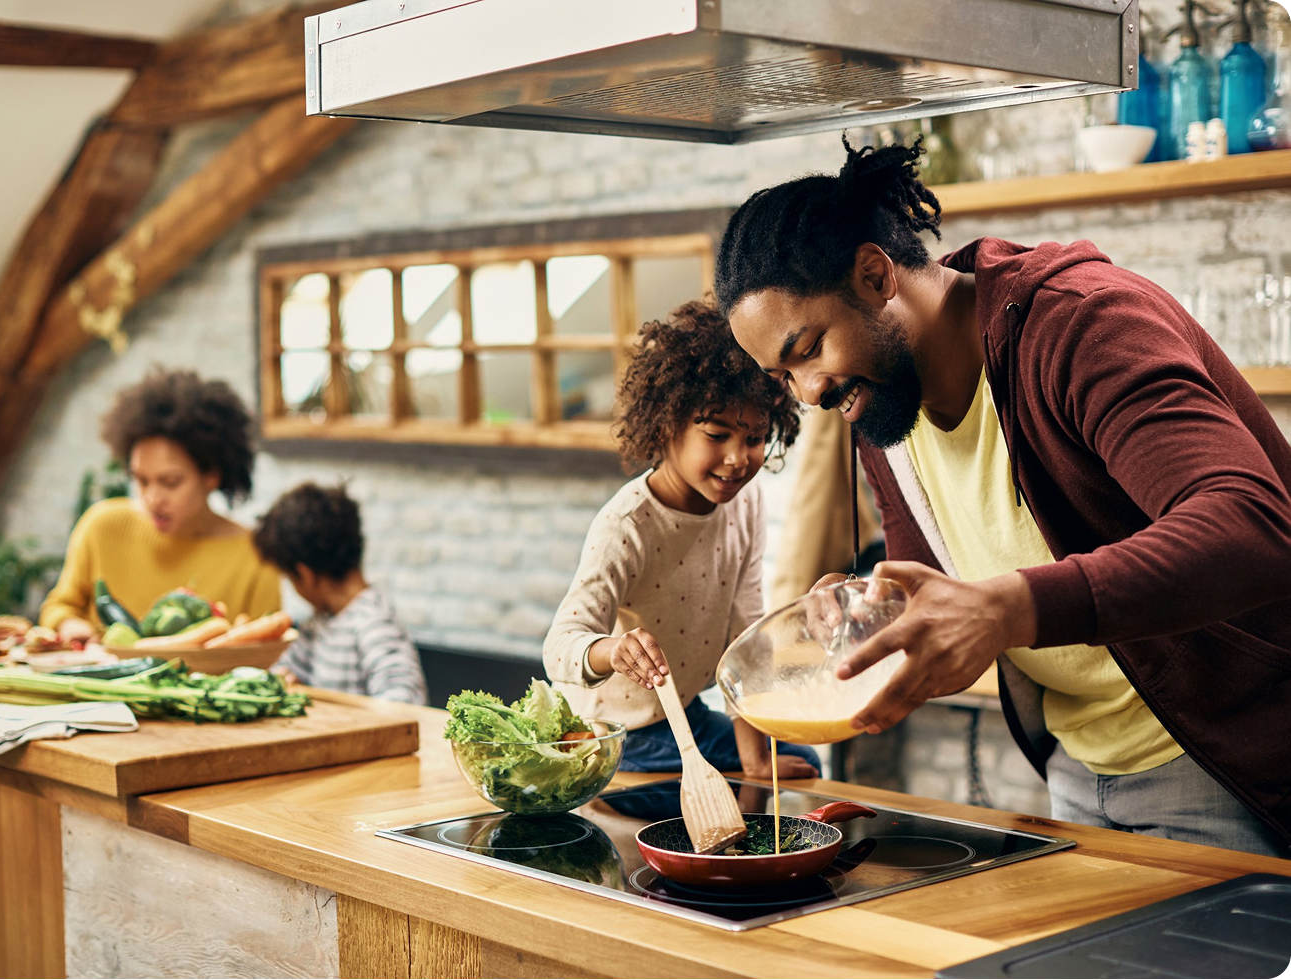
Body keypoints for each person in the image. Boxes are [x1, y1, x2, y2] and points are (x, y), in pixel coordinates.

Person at [714, 137, 1291, 856]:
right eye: (782, 376)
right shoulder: (884, 404)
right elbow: (930, 581)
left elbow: (1255, 526)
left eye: (807, 350)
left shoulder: (1082, 326)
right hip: (1076, 768)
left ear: (874, 276)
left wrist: (1006, 608)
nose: (810, 392)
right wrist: (868, 612)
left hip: (1226, 758)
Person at [544, 300, 821, 779]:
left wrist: (755, 759)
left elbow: (746, 633)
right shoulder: (627, 525)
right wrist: (610, 651)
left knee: (800, 762)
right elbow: (559, 646)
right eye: (717, 435)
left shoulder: (745, 503)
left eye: (754, 438)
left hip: (683, 717)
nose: (738, 459)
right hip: (614, 733)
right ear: (667, 424)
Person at [40, 369, 281, 638]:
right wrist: (69, 625)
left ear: (211, 475)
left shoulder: (255, 556)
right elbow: (59, 606)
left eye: (170, 482)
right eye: (141, 480)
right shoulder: (101, 526)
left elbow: (264, 647)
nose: (153, 499)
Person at [253, 482, 426, 704]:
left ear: (304, 574)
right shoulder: (319, 623)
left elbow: (406, 701)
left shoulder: (374, 624)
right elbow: (283, 668)